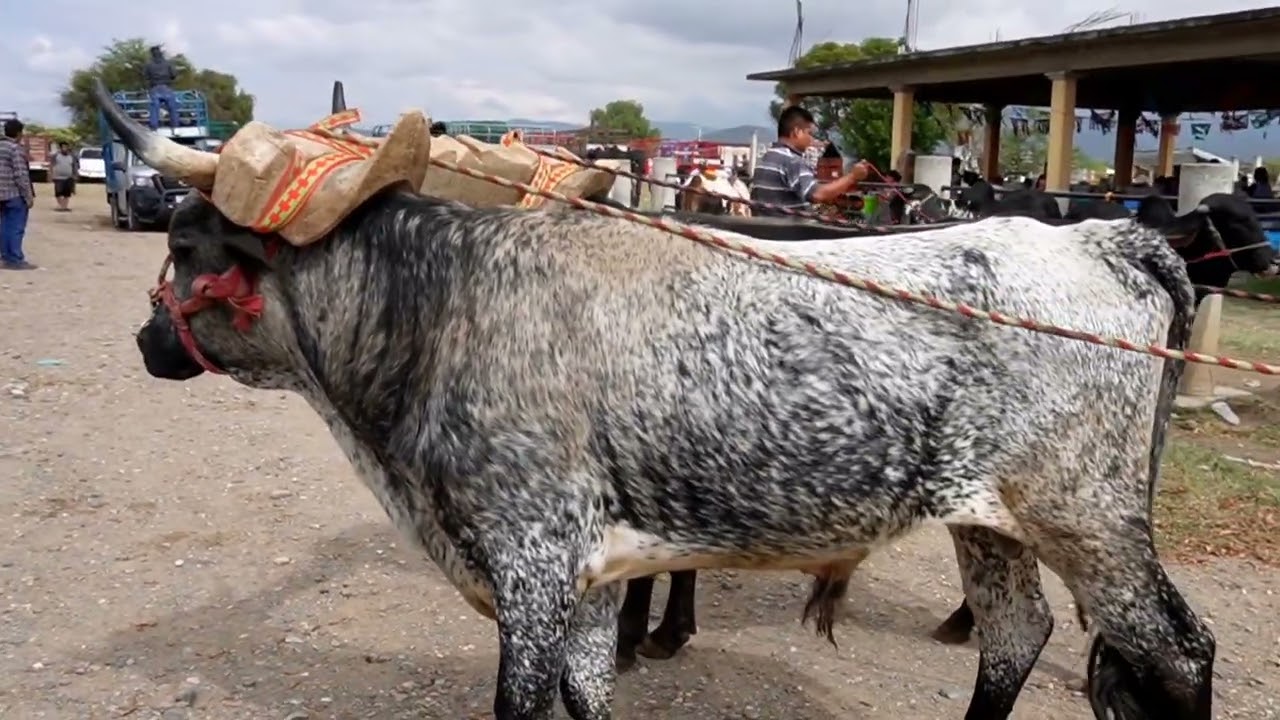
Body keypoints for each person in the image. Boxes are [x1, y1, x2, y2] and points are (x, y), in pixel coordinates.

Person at [750, 105, 867, 216]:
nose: (811, 139)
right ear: (797, 132)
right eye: (809, 133)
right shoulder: (792, 160)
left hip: (764, 227)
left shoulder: (765, 158)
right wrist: (852, 177)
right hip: (790, 227)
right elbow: (817, 195)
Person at [0, 118, 35, 270]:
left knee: (4, 226)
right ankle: (14, 259)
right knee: (15, 228)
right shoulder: (15, 149)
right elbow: (21, 175)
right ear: (19, 133)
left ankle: (5, 257)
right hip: (14, 194)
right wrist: (28, 196)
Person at [144, 45, 180, 132]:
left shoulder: (149, 65)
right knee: (172, 107)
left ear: (152, 54)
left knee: (154, 108)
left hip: (155, 87)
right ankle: (175, 127)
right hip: (166, 87)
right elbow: (174, 74)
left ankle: (154, 128)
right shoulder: (168, 63)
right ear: (160, 53)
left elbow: (146, 76)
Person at [50, 143, 77, 212]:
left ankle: (65, 207)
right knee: (58, 193)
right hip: (58, 178)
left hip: (68, 177)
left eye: (66, 147)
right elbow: (51, 165)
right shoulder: (56, 156)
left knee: (67, 194)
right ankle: (61, 206)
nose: (65, 149)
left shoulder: (71, 156)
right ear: (60, 148)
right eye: (63, 147)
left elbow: (74, 166)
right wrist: (51, 174)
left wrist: (75, 175)